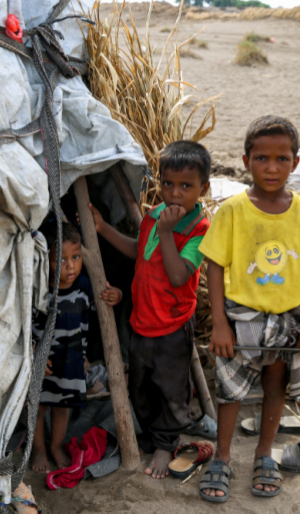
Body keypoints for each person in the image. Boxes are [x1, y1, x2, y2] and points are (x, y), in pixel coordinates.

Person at [198, 116, 300, 502]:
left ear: (296, 162)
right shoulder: (232, 211)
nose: (271, 168)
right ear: (246, 161)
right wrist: (220, 325)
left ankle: (264, 454)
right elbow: (213, 266)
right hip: (240, 317)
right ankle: (223, 458)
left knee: (276, 385)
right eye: (262, 158)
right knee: (230, 391)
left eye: (281, 158)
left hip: (288, 319)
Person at [88, 140, 211, 478]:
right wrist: (103, 229)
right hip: (141, 321)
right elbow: (139, 251)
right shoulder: (154, 216)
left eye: (186, 186)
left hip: (171, 326)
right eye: (168, 184)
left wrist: (169, 232)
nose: (174, 193)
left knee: (171, 390)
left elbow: (176, 275)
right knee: (141, 387)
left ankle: (165, 443)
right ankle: (151, 433)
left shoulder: (200, 231)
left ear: (204, 188)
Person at [31, 222, 122, 473]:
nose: (70, 265)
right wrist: (33, 356)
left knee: (62, 408)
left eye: (76, 257)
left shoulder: (84, 286)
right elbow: (25, 329)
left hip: (71, 361)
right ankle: (38, 449)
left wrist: (118, 295)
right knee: (37, 408)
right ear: (45, 261)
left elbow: (102, 306)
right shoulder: (40, 291)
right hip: (43, 364)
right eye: (60, 260)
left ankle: (55, 446)